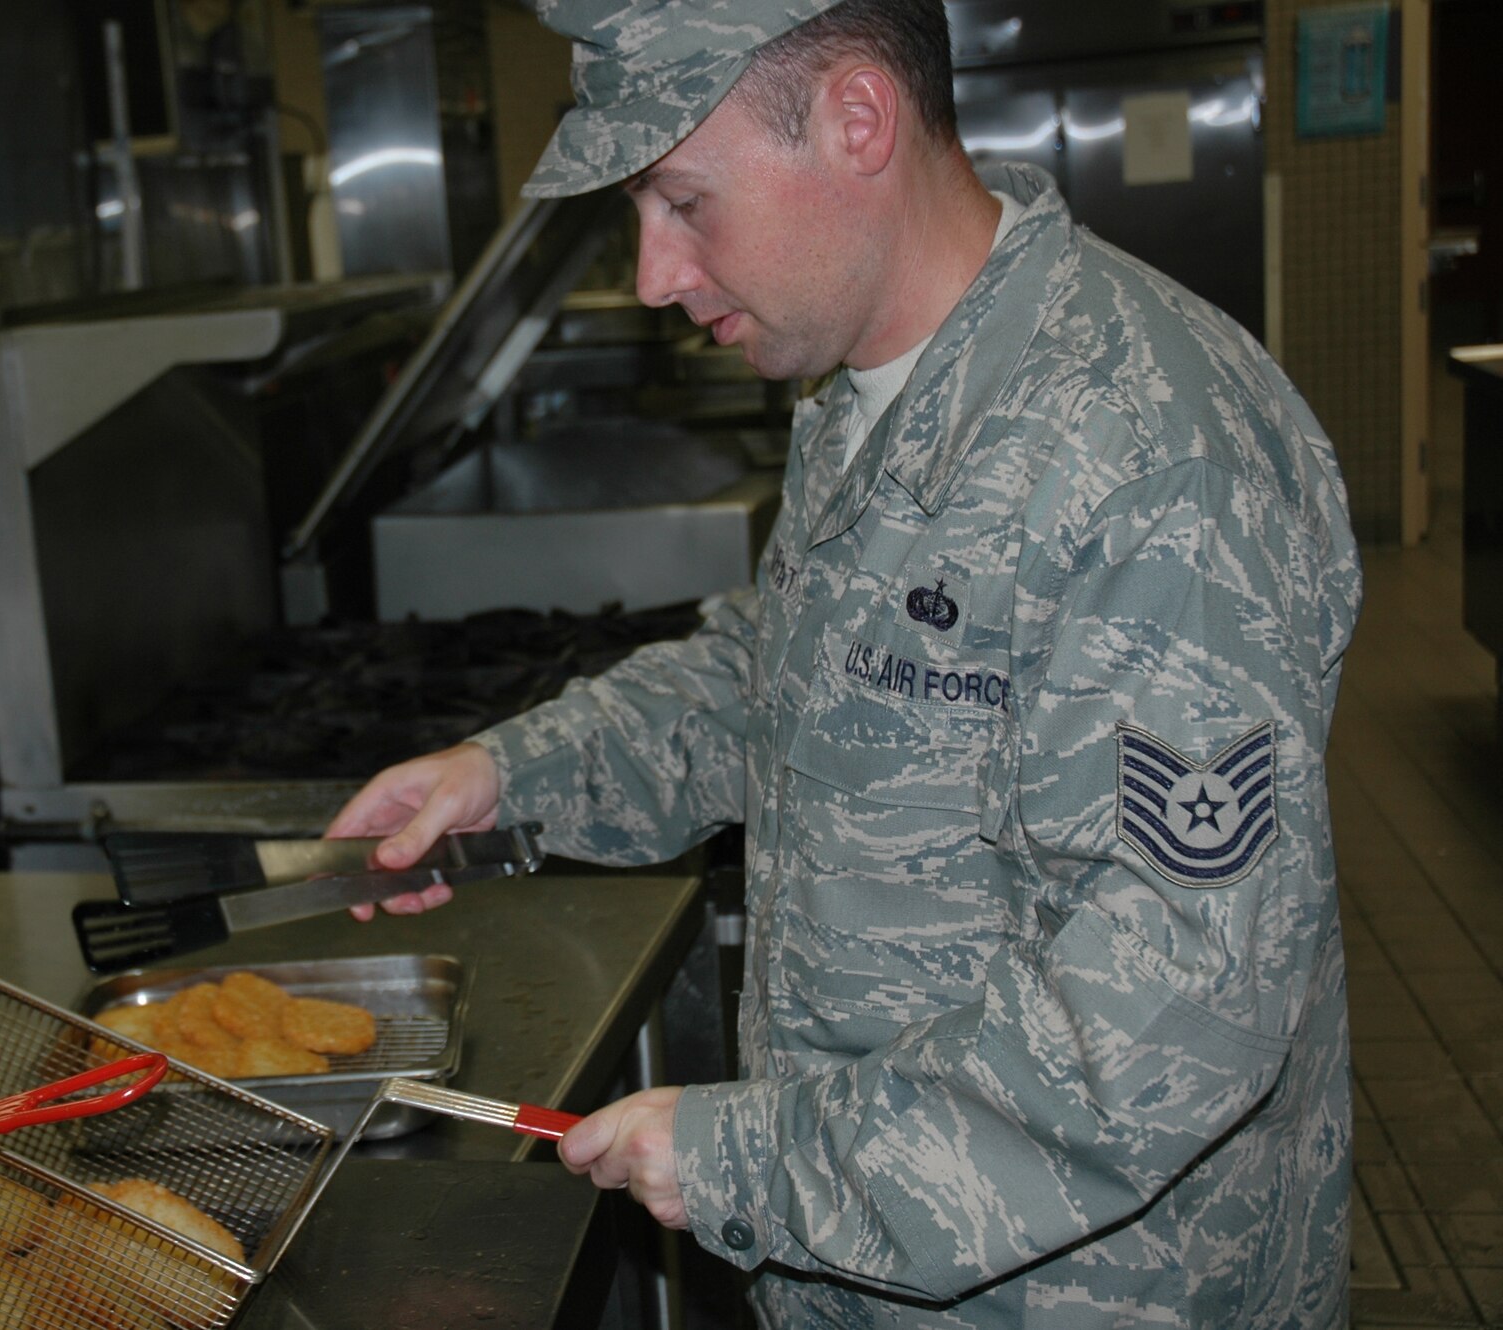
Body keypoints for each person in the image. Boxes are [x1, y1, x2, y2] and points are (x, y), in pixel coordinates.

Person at [326, 0, 1361, 1324]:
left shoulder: (1152, 457)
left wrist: (746, 1158)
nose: (650, 273)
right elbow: (795, 671)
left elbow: (1166, 1023)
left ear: (857, 121)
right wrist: (507, 774)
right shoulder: (867, 389)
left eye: (684, 201)